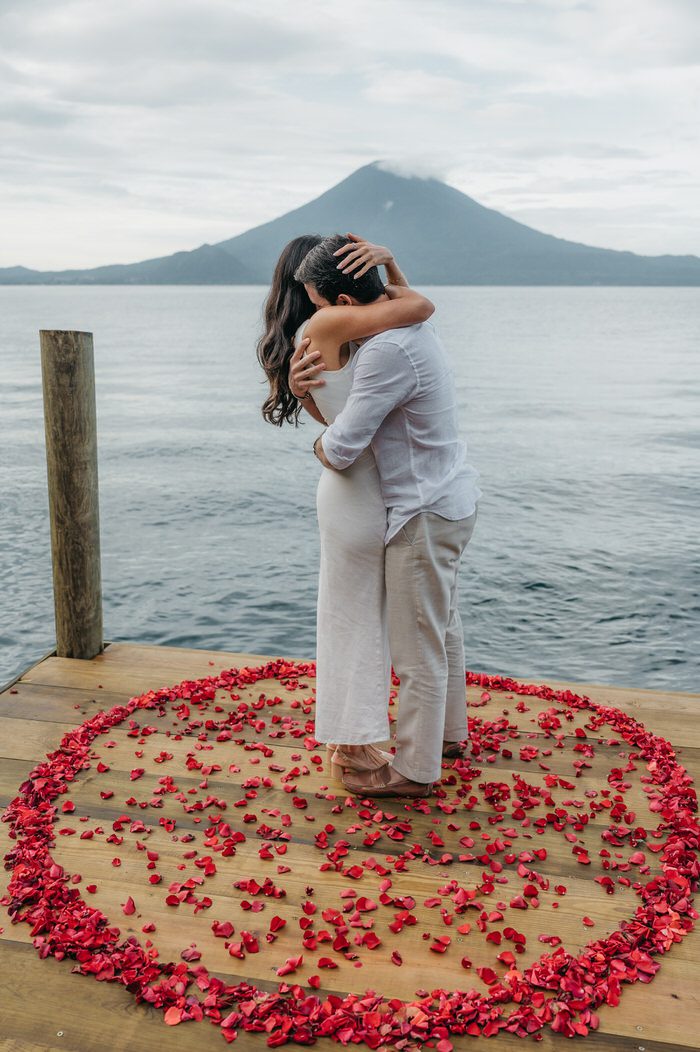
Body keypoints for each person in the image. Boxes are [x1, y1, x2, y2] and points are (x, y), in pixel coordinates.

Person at [293, 235, 481, 798]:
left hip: (420, 511)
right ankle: (448, 735)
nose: (317, 317)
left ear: (345, 306)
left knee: (416, 646)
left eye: (319, 305)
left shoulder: (383, 353)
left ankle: (416, 770)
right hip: (451, 497)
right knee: (441, 627)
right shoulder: (414, 330)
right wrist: (393, 262)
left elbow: (344, 447)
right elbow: (411, 298)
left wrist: (312, 427)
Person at [257, 233, 434, 782]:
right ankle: (350, 746)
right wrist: (390, 259)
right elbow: (422, 307)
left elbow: (336, 415)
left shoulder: (329, 329)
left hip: (363, 480)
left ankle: (356, 735)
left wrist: (301, 391)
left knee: (362, 610)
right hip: (355, 487)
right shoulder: (333, 322)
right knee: (354, 612)